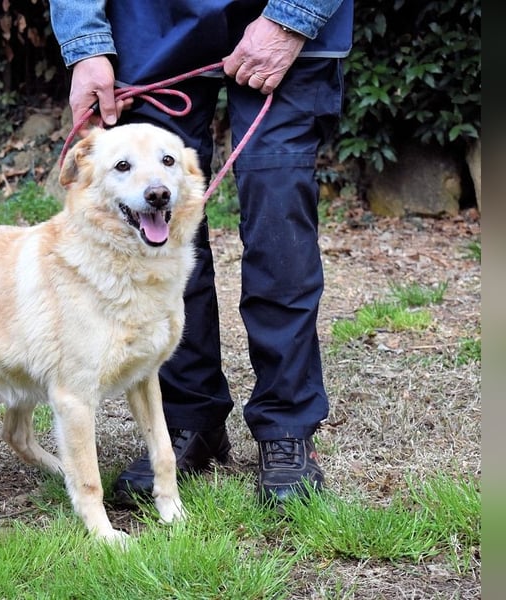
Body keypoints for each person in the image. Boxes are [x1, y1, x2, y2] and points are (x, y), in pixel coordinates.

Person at [47, 0, 353, 506]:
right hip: (153, 27)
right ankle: (190, 418)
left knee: (280, 218)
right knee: (152, 229)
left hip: (287, 25)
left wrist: (290, 18)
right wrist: (86, 47)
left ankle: (286, 427)